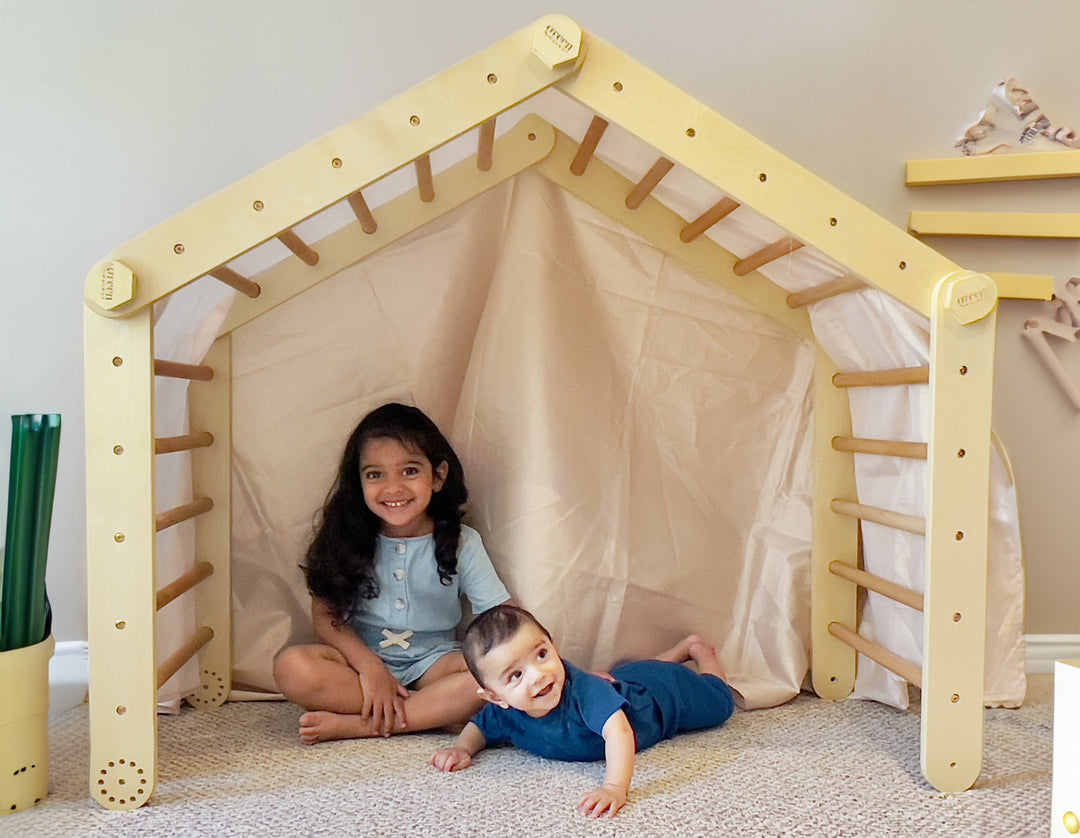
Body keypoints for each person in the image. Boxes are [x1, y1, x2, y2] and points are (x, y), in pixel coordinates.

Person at [273, 402, 512, 744]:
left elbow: (500, 615)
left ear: (438, 476)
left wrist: (551, 665)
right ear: (359, 482)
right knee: (292, 667)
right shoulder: (347, 536)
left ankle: (362, 725)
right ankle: (430, 713)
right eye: (375, 474)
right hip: (360, 663)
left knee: (487, 679)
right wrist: (371, 669)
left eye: (410, 471)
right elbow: (326, 616)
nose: (393, 488)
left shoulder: (462, 542)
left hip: (435, 663)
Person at [430, 604, 735, 819]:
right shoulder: (505, 712)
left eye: (541, 654)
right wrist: (461, 747)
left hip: (663, 698)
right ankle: (671, 655)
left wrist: (615, 788)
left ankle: (698, 652)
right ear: (496, 697)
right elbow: (481, 727)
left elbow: (618, 731)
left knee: (721, 704)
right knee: (631, 674)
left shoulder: (584, 692)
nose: (538, 675)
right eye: (516, 675)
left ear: (553, 644)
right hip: (629, 678)